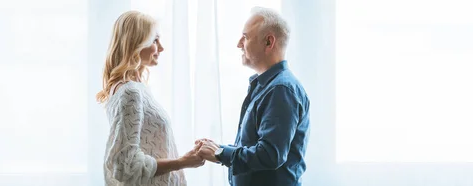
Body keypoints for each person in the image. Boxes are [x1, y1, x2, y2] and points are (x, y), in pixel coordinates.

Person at [196, 7, 311, 186]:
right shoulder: (267, 87)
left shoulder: (281, 90)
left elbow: (269, 155)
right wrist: (218, 149)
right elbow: (256, 147)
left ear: (268, 42)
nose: (239, 44)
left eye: (245, 37)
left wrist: (220, 153)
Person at [96, 10, 205, 186]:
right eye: (155, 40)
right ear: (136, 43)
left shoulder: (136, 89)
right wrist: (183, 162)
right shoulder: (130, 92)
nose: (161, 48)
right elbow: (125, 164)